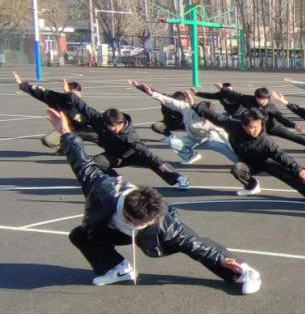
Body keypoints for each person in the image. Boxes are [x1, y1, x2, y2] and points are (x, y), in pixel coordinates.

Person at [45, 108, 261, 294]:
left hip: (150, 233)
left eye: (150, 221)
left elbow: (193, 244)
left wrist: (223, 261)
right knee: (80, 235)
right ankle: (118, 268)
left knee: (192, 245)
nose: (148, 223)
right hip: (111, 226)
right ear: (128, 215)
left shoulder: (161, 223)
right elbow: (81, 162)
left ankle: (245, 272)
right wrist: (66, 132)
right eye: (143, 222)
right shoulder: (101, 189)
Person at [197, 106, 305, 202]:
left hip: (266, 160)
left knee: (285, 174)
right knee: (237, 169)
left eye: (256, 127)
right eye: (249, 127)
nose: (253, 130)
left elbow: (282, 156)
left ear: (261, 124)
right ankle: (252, 186)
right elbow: (217, 118)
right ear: (243, 126)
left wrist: (299, 170)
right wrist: (197, 106)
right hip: (248, 162)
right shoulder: (234, 127)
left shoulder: (266, 141)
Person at [130, 80, 237, 165]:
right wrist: (150, 92)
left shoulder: (213, 120)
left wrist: (232, 145)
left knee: (231, 153)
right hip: (192, 139)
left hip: (210, 140)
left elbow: (223, 134)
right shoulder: (186, 108)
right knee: (173, 142)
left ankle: (243, 162)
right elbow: (166, 99)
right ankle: (191, 156)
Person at [200, 84, 305, 147]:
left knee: (291, 136)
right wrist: (221, 88)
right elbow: (235, 94)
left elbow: (281, 117)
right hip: (258, 129)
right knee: (258, 143)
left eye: (264, 99)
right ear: (255, 97)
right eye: (259, 99)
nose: (261, 101)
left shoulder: (271, 107)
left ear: (268, 98)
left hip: (273, 127)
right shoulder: (249, 100)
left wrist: (293, 125)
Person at [14, 73, 98, 152]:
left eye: (76, 94)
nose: (73, 97)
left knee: (101, 135)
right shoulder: (57, 98)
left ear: (80, 93)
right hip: (63, 130)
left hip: (82, 129)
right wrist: (22, 84)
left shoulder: (82, 106)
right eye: (70, 94)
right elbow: (40, 92)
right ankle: (65, 148)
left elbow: (96, 119)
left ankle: (107, 149)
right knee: (48, 140)